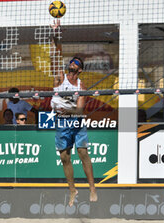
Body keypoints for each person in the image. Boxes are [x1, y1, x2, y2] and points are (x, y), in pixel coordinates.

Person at [49, 19, 97, 207]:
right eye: (71, 61)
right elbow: (55, 55)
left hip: (75, 120)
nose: (72, 63)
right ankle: (72, 190)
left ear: (80, 69)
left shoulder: (81, 85)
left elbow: (79, 109)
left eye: (76, 62)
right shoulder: (60, 77)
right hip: (61, 121)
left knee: (83, 152)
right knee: (64, 157)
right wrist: (56, 34)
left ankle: (92, 188)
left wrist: (67, 108)